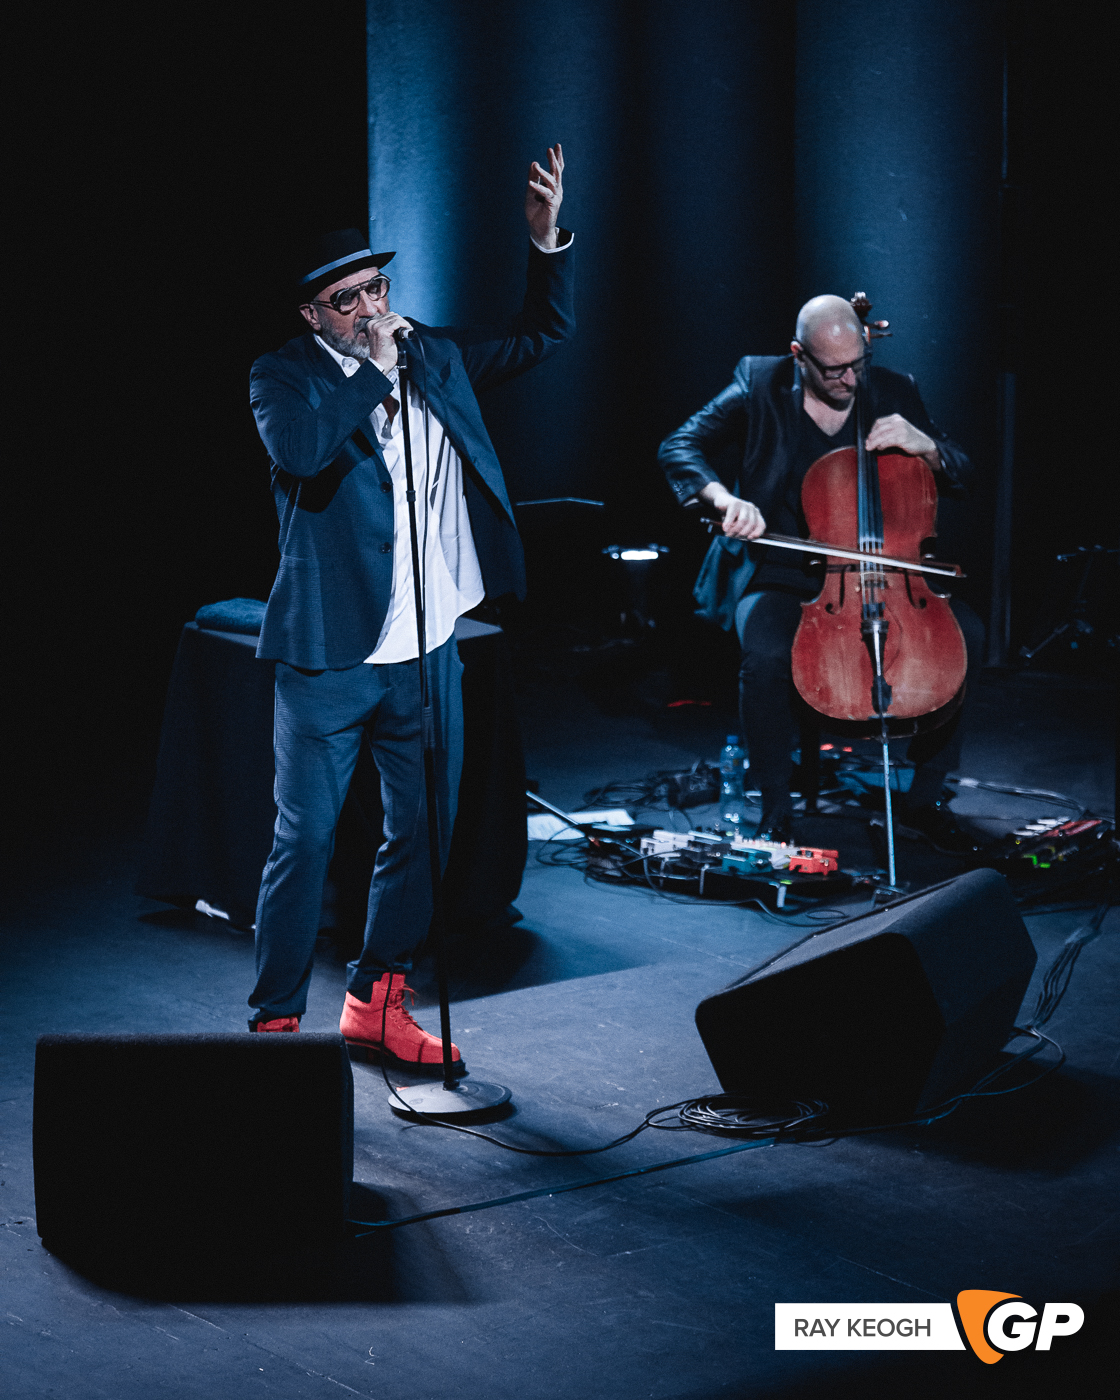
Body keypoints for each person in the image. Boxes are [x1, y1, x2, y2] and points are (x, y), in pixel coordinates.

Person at [246, 145, 574, 1065]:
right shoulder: (286, 378)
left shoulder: (428, 353)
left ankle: (376, 1000)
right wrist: (369, 371)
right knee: (304, 842)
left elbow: (540, 337)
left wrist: (545, 244)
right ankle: (274, 1022)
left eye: (375, 288)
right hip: (330, 655)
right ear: (314, 313)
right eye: (346, 300)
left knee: (422, 836)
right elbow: (305, 454)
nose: (369, 309)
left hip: (430, 645)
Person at [658, 294, 984, 853]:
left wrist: (926, 445)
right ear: (798, 356)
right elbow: (679, 445)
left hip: (882, 569)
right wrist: (725, 499)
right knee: (764, 656)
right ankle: (776, 811)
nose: (851, 379)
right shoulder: (759, 382)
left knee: (969, 638)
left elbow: (962, 473)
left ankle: (926, 798)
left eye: (858, 363)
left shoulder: (894, 389)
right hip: (783, 569)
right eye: (834, 369)